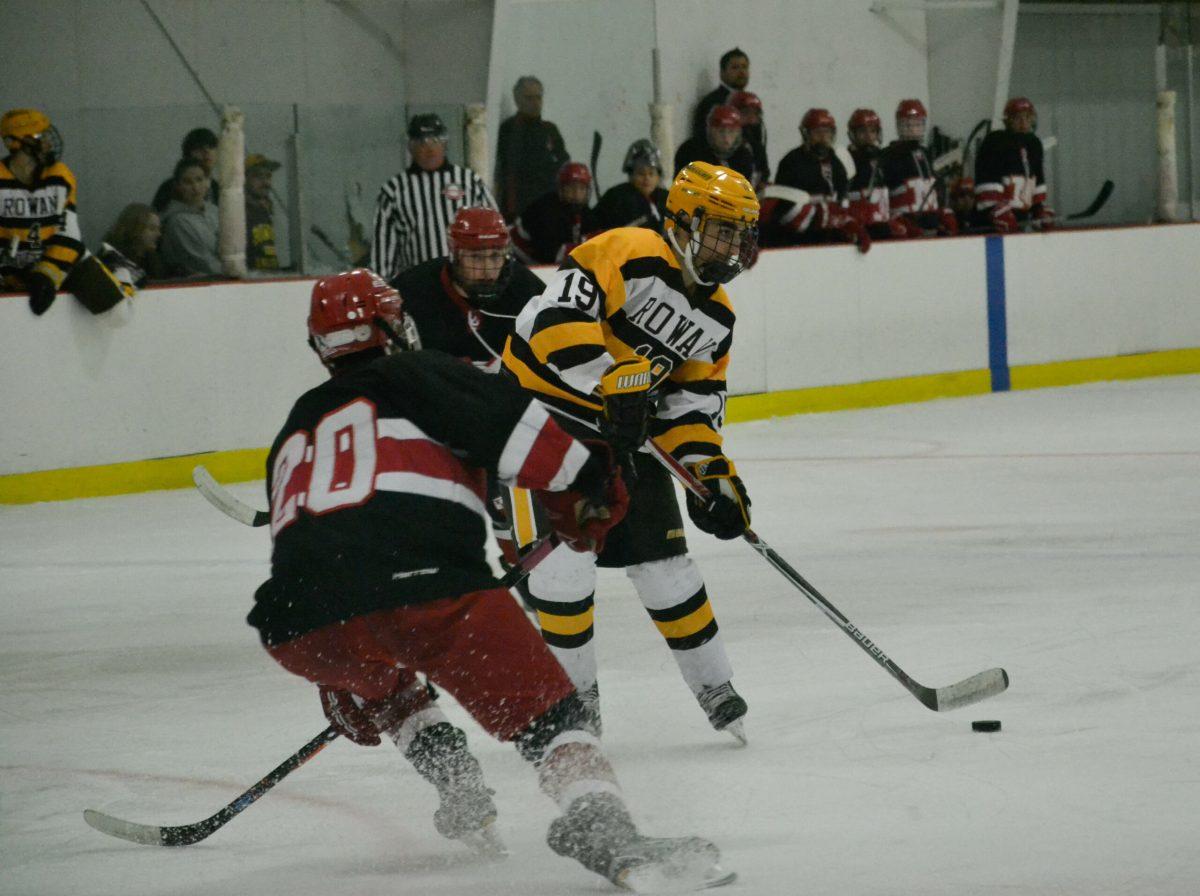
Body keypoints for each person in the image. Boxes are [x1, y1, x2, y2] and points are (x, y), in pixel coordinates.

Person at [251, 268, 732, 890]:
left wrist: (340, 674)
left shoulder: (293, 427)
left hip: (296, 624)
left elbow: (309, 548)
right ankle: (605, 831)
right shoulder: (419, 374)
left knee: (386, 679)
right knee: (555, 720)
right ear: (391, 327)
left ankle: (453, 777)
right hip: (425, 586)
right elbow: (522, 435)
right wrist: (591, 485)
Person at [501, 162, 759, 743]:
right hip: (540, 419)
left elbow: (690, 408)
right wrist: (610, 383)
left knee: (666, 566)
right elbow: (555, 321)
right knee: (563, 570)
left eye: (741, 233)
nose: (734, 246)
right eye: (723, 230)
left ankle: (715, 685)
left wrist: (712, 477)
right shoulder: (630, 248)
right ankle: (575, 703)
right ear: (685, 222)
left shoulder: (718, 315)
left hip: (622, 432)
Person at [0, 107, 127, 316]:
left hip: (61, 259)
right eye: (38, 136)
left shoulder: (61, 176)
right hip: (15, 265)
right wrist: (8, 274)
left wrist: (47, 274)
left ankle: (119, 268)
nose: (48, 143)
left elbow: (69, 236)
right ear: (14, 143)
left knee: (119, 314)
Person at [370, 113, 497, 282]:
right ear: (410, 146)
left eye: (435, 140)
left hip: (468, 283)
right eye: (422, 142)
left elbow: (496, 231)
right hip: (420, 286)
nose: (430, 148)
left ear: (445, 143)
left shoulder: (469, 181)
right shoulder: (394, 190)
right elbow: (382, 255)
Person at [762, 108, 868, 251]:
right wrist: (824, 216)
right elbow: (785, 213)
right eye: (817, 133)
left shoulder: (838, 163)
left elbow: (842, 202)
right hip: (795, 243)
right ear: (806, 134)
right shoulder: (791, 162)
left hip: (828, 239)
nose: (823, 138)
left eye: (827, 133)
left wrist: (850, 225)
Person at [973, 97, 1055, 233]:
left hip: (1020, 223)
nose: (1024, 123)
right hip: (991, 227)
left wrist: (1039, 211)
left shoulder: (1034, 145)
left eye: (1028, 117)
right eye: (1018, 118)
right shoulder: (995, 141)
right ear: (1008, 120)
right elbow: (987, 183)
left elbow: (1036, 181)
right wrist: (996, 211)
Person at [878, 99, 957, 237]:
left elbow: (935, 187)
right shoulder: (888, 155)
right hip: (905, 224)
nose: (913, 129)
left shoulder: (927, 153)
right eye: (908, 124)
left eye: (918, 124)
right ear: (899, 126)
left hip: (931, 222)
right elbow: (882, 193)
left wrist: (944, 211)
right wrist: (893, 220)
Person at [495, 76, 569, 221]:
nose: (535, 103)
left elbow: (564, 163)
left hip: (549, 206)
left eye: (538, 97)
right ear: (517, 100)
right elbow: (508, 171)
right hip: (520, 209)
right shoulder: (509, 130)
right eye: (529, 98)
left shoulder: (550, 130)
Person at [511, 162, 599, 265]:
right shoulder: (545, 211)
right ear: (561, 190)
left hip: (538, 263)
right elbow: (549, 254)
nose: (577, 194)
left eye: (582, 188)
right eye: (571, 188)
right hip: (515, 257)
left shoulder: (585, 212)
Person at [845, 108, 907, 241]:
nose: (868, 136)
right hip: (859, 227)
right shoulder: (846, 159)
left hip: (882, 225)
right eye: (862, 131)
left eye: (872, 131)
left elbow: (892, 194)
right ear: (852, 134)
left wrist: (895, 220)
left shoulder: (884, 157)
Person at [160, 157, 221, 277]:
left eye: (199, 179)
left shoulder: (215, 211)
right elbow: (204, 263)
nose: (195, 187)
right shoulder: (177, 221)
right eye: (188, 182)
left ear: (208, 182)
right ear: (178, 186)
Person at [594, 139, 669, 233]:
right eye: (641, 174)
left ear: (658, 176)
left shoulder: (667, 199)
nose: (647, 178)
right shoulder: (615, 198)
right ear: (631, 175)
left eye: (651, 174)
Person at [674, 105, 757, 185]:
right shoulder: (690, 150)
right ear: (711, 131)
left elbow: (746, 193)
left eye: (731, 132)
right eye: (721, 131)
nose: (726, 138)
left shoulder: (743, 156)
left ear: (738, 133)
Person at [99, 202, 163, 293]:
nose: (158, 234)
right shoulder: (111, 260)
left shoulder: (154, 261)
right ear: (134, 229)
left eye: (159, 229)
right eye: (152, 229)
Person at [152, 127, 219, 213]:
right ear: (188, 154)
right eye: (199, 148)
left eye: (211, 146)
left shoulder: (216, 188)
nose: (206, 151)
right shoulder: (169, 187)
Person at [691, 48, 750, 141]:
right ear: (722, 73)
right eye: (735, 67)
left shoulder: (750, 103)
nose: (741, 72)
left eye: (744, 67)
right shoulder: (712, 103)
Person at [244, 153, 281, 271]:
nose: (265, 182)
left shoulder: (266, 210)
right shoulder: (238, 212)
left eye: (268, 176)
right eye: (258, 176)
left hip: (268, 279)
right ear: (243, 179)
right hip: (247, 283)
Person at [729, 90, 768, 187]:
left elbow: (764, 174)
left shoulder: (756, 146)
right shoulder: (723, 145)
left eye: (755, 114)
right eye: (746, 113)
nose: (751, 119)